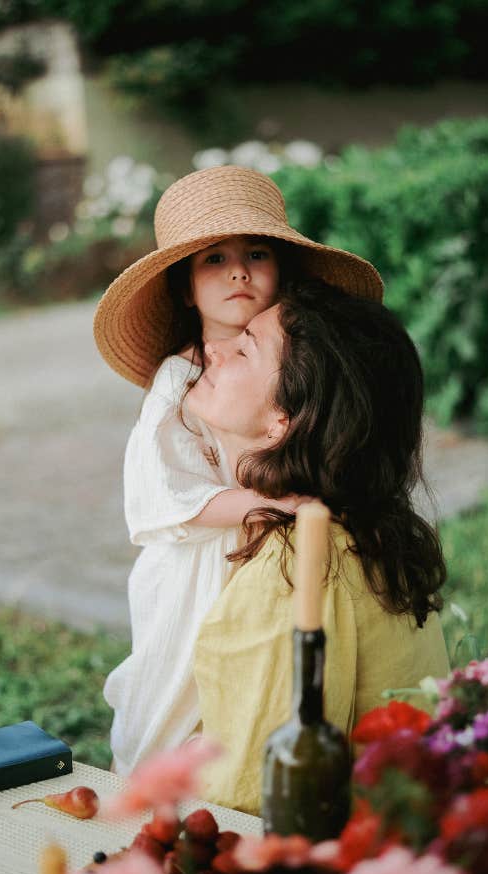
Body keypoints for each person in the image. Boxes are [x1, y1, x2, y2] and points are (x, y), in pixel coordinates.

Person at [93, 165, 383, 775]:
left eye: (256, 253)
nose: (238, 272)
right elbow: (160, 490)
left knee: (264, 682)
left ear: (282, 268)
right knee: (187, 685)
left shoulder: (300, 357)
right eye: (214, 259)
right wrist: (268, 505)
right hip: (199, 559)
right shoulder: (180, 378)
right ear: (184, 289)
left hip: (275, 553)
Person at [187, 281, 451, 815]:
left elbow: (252, 796)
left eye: (245, 348)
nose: (213, 347)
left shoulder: (298, 565)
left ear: (283, 420)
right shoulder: (363, 528)